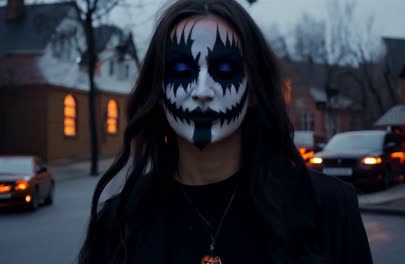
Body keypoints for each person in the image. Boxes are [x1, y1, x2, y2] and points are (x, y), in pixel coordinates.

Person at [78, 0, 373, 263]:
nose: (202, 92)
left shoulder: (329, 209)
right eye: (181, 70)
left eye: (225, 70)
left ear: (254, 90)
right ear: (158, 91)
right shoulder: (118, 225)